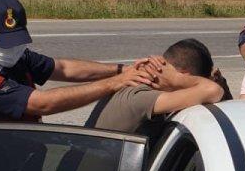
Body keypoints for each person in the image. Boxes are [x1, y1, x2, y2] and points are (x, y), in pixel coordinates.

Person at [0, 0, 159, 123]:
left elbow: (63, 68)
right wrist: (114, 83)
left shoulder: (14, 55)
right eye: (4, 41)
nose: (12, 48)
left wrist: (122, 70)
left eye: (16, 40)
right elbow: (43, 104)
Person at [85, 38, 229, 136]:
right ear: (184, 75)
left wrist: (221, 82)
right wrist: (176, 79)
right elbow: (213, 91)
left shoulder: (136, 81)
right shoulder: (141, 96)